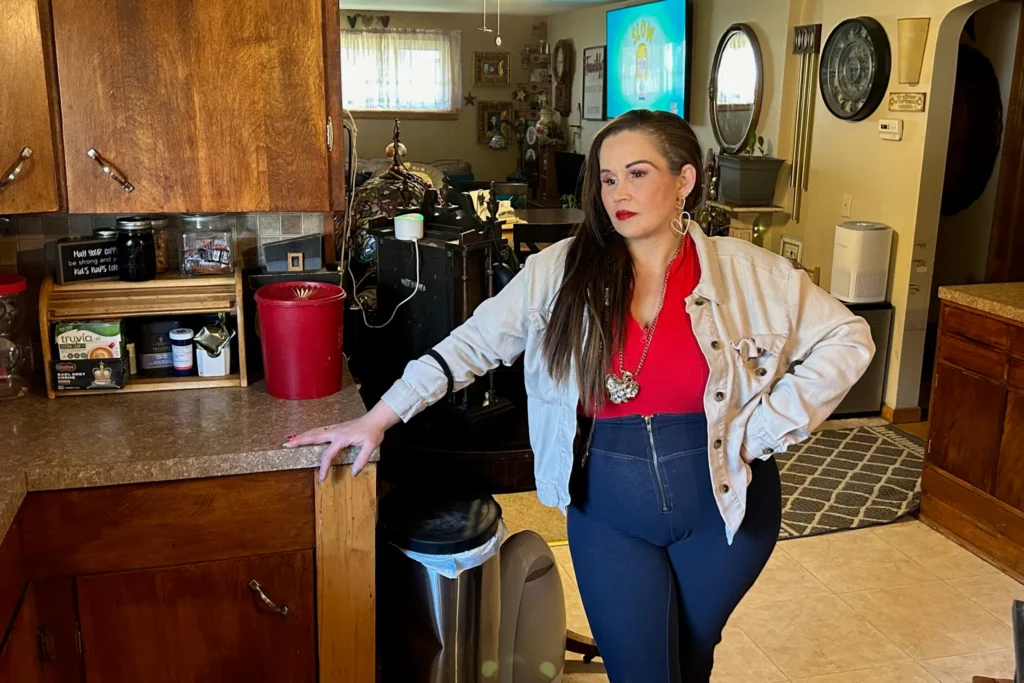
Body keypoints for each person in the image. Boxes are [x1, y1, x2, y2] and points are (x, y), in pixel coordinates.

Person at [285, 109, 875, 682]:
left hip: (726, 504)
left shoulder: (750, 275)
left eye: (638, 173)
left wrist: (768, 425)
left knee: (691, 659)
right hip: (609, 506)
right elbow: (470, 347)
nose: (618, 191)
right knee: (643, 669)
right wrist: (378, 420)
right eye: (608, 177)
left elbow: (850, 338)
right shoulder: (560, 270)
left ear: (684, 180)